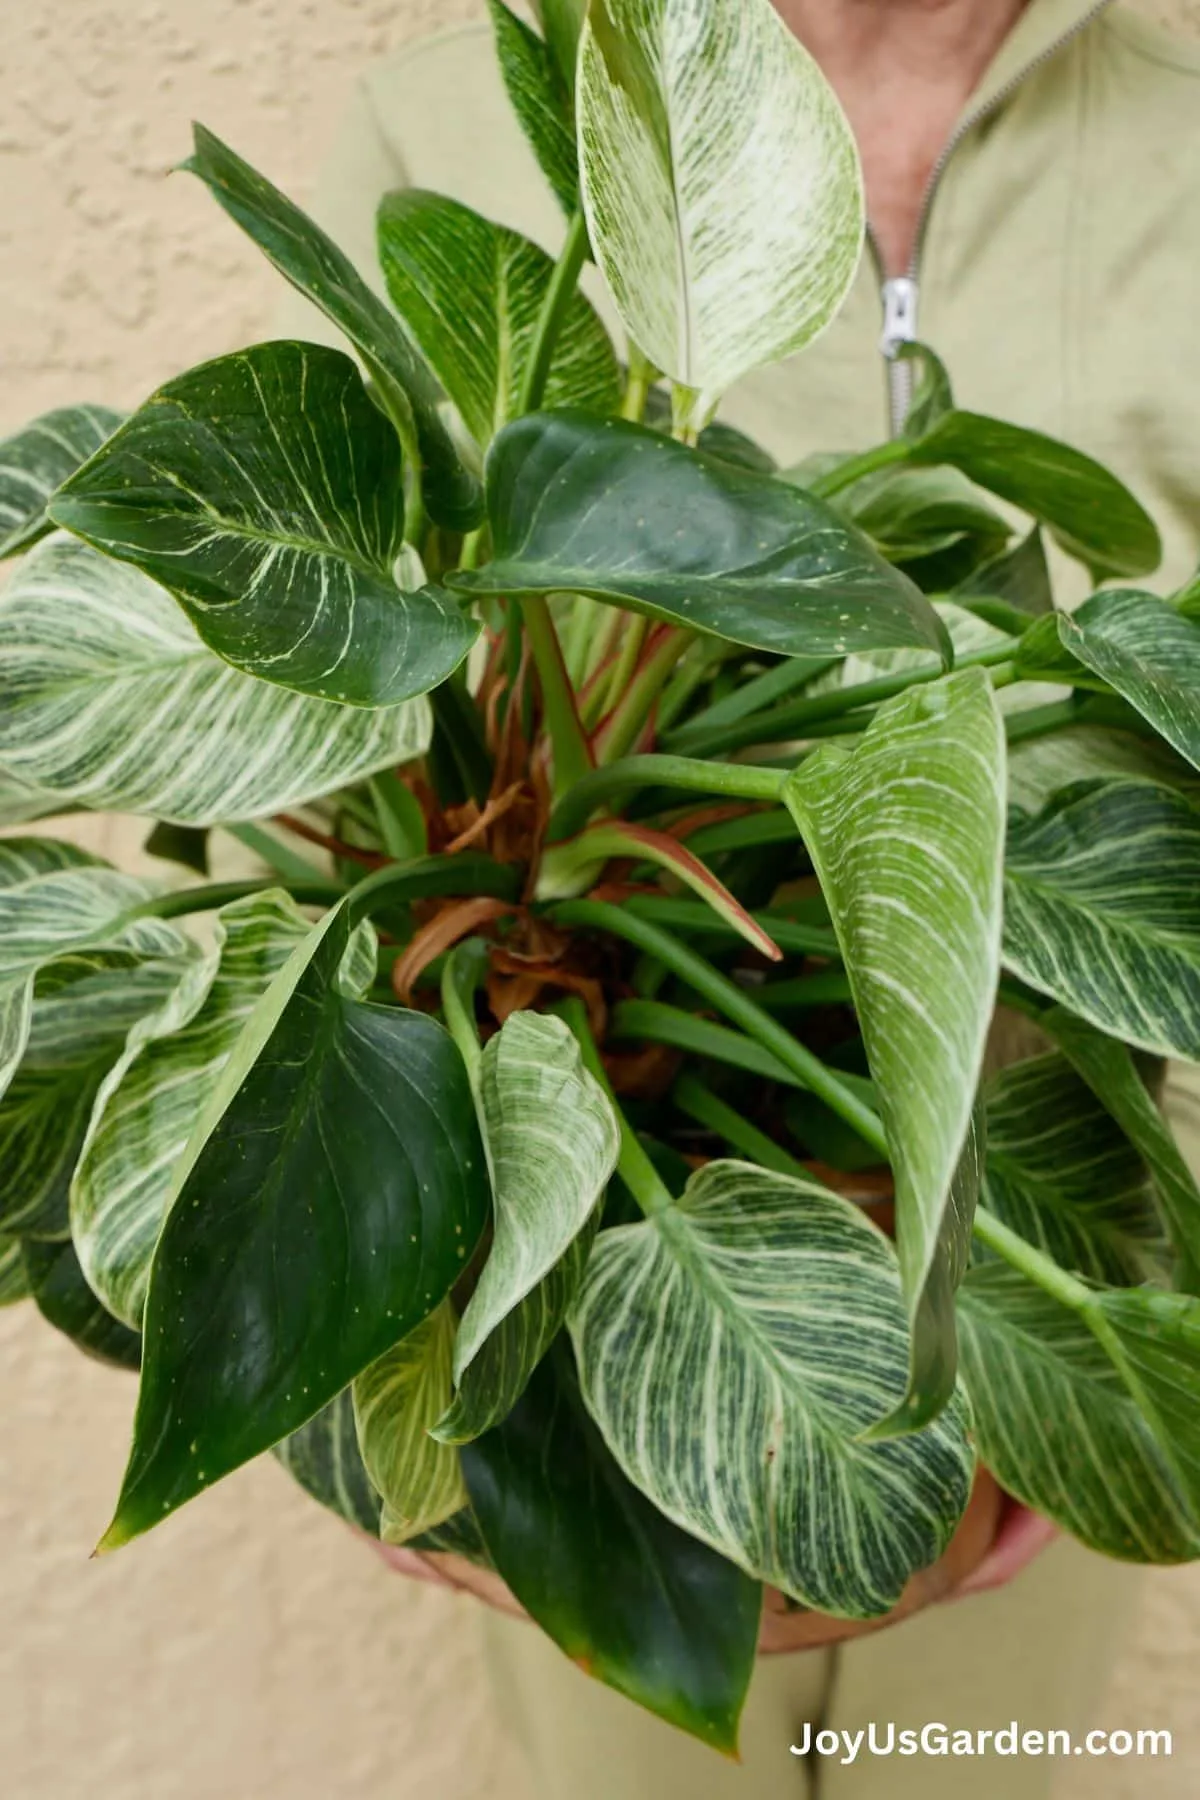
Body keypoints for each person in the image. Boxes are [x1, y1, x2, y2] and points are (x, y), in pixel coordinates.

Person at [277, 2, 1200, 1792]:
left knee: (990, 1765)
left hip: (1045, 1228)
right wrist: (364, 1340)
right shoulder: (472, 114)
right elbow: (331, 690)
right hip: (573, 1230)